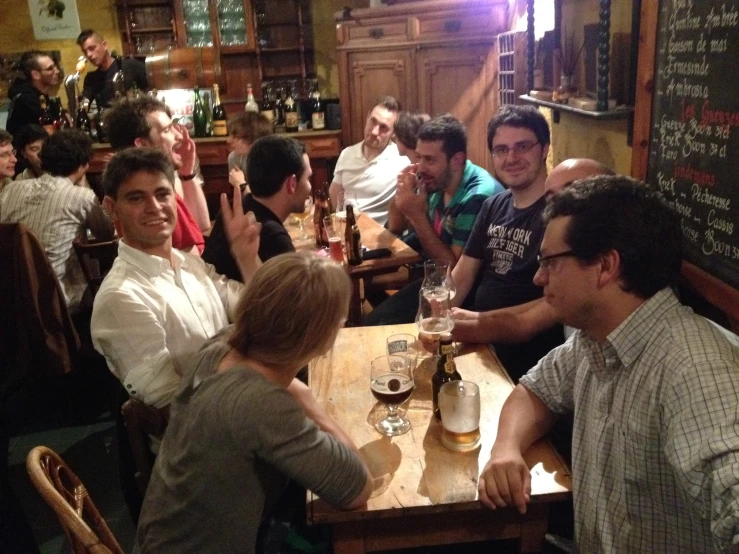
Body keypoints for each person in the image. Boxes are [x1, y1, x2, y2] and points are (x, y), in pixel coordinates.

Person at [477, 175, 739, 553]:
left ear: (605, 266)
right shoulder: (595, 337)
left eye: (549, 262)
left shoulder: (694, 368)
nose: (538, 277)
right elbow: (534, 391)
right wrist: (506, 448)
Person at [135, 253, 372, 553]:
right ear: (322, 339)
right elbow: (357, 488)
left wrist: (296, 393)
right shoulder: (260, 403)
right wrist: (312, 406)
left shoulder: (220, 345)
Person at [91, 148, 261, 412]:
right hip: (205, 441)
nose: (154, 207)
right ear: (112, 208)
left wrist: (247, 259)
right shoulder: (120, 297)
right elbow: (174, 405)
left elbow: (263, 313)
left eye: (162, 194)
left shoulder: (190, 263)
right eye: (137, 198)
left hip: (239, 402)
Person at [450, 110, 616, 380]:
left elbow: (524, 325)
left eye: (522, 146)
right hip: (478, 342)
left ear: (544, 149)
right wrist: (438, 311)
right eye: (501, 149)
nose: (511, 158)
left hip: (520, 356)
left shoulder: (566, 223)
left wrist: (459, 324)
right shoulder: (494, 205)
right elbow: (462, 275)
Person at [365, 113, 503, 326]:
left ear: (456, 161)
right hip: (434, 276)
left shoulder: (477, 196)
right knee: (367, 286)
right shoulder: (438, 181)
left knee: (378, 323)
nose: (420, 167)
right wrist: (402, 195)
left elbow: (454, 271)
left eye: (429, 159)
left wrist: (417, 216)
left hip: (468, 294)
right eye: (418, 157)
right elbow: (397, 227)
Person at [0, 129, 114, 312]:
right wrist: (83, 182)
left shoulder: (11, 189)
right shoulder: (81, 197)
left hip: (13, 298)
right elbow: (106, 233)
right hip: (61, 300)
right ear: (83, 165)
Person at [105, 96, 210, 254]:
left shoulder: (149, 180)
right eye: (167, 130)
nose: (179, 136)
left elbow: (201, 226)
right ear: (142, 144)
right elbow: (190, 254)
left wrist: (186, 173)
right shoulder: (153, 189)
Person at [203, 135, 311, 280]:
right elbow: (291, 301)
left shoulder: (236, 208)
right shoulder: (274, 238)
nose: (310, 186)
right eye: (308, 178)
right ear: (292, 183)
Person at [329, 96, 409, 225]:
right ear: (367, 117)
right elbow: (334, 196)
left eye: (383, 127)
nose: (374, 131)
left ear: (394, 133)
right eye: (373, 121)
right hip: (346, 228)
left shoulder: (401, 161)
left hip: (378, 236)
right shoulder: (347, 154)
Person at [77, 29, 148, 108]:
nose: (88, 54)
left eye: (92, 48)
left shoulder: (131, 66)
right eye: (85, 51)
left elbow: (151, 91)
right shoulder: (91, 79)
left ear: (104, 45)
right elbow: (84, 104)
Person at [5, 51, 61, 135]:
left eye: (55, 66)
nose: (57, 71)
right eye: (50, 69)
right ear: (36, 75)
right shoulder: (27, 99)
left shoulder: (39, 95)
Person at [226, 111, 273, 190]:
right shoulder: (234, 158)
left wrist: (241, 184)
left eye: (235, 136)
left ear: (253, 139)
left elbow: (267, 201)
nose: (229, 140)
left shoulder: (272, 161)